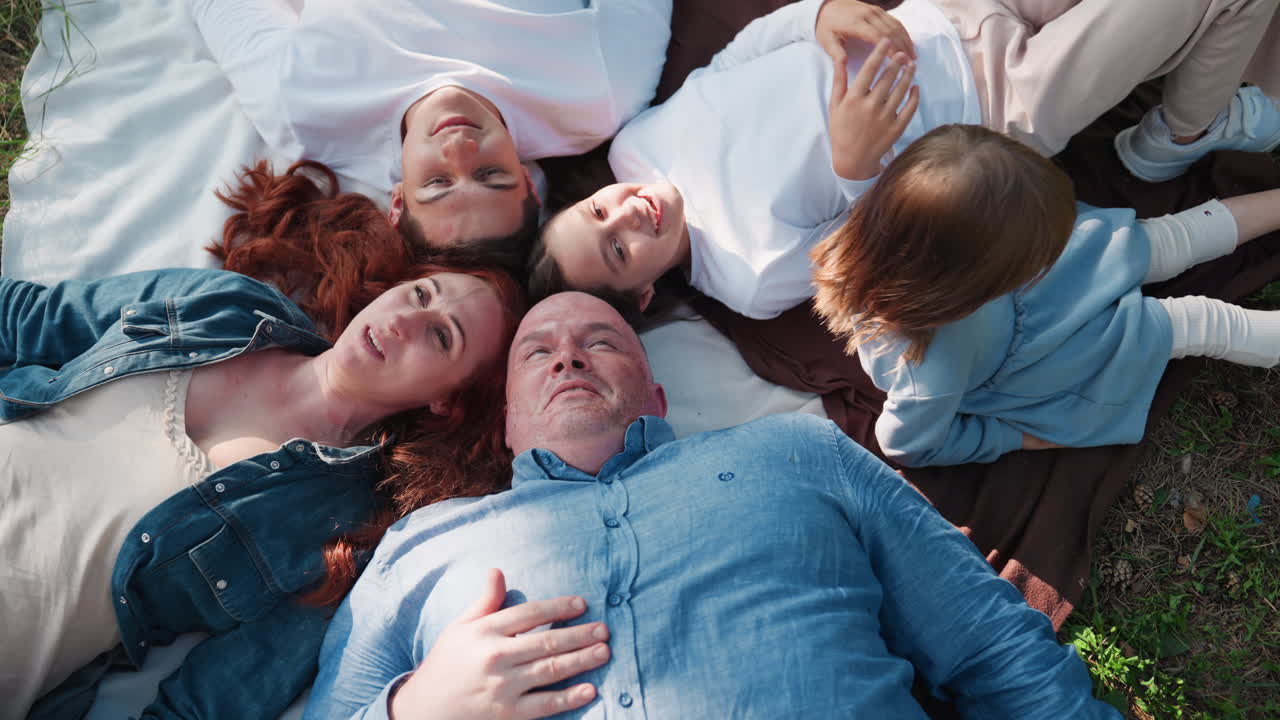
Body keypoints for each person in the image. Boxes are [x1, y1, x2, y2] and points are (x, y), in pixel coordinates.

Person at [302, 290, 1122, 720]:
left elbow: (989, 645)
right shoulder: (420, 550)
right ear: (508, 420)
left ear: (655, 391)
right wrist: (414, 712)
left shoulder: (796, 453)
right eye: (537, 352)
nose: (569, 358)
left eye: (602, 341)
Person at [2, 162, 527, 720]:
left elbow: (208, 705)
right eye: (421, 294)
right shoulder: (231, 305)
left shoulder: (343, 535)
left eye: (442, 337)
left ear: (445, 401)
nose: (405, 321)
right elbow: (29, 319)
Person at [529, 0, 1280, 320]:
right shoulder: (745, 277)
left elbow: (739, 56)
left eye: (598, 210)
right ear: (645, 295)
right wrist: (859, 168)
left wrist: (819, 16)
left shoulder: (639, 144)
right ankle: (1175, 141)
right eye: (619, 250)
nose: (628, 213)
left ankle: (1192, 111)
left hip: (940, 17)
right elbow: (885, 255)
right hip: (1000, 106)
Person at [807, 124, 1280, 467]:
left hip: (1016, 293)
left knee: (1166, 242)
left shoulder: (892, 227)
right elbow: (906, 445)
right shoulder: (931, 369)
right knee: (1189, 316)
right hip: (1032, 356)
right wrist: (1014, 438)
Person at [187, 0, 673, 272]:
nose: (458, 148)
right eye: (490, 174)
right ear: (528, 179)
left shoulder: (304, 107)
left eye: (438, 183)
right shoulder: (596, 92)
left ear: (396, 202)